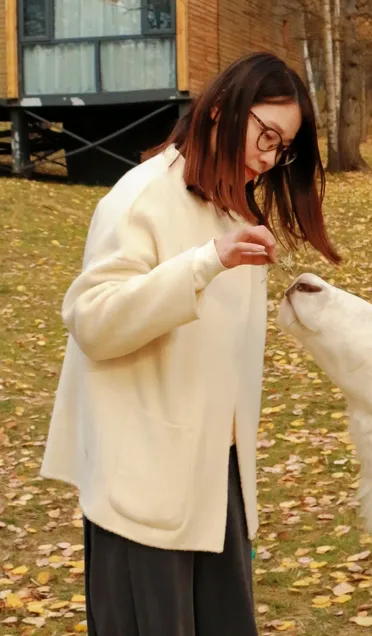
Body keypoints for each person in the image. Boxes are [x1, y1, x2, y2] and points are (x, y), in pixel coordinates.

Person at [41, 51, 340, 636]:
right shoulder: (140, 197)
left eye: (282, 148)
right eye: (267, 136)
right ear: (221, 110)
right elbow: (93, 320)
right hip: (142, 484)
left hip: (214, 478)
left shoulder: (231, 210)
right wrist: (204, 264)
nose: (269, 158)